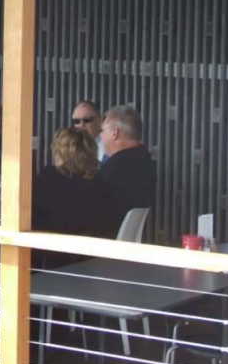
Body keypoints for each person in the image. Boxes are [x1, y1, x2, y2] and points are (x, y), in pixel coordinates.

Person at [33, 128, 111, 268]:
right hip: (92, 259)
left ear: (59, 151)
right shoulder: (101, 181)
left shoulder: (50, 177)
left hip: (54, 257)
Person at [98, 105, 156, 233]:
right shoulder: (145, 162)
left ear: (115, 133)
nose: (100, 137)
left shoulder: (113, 169)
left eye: (102, 131)